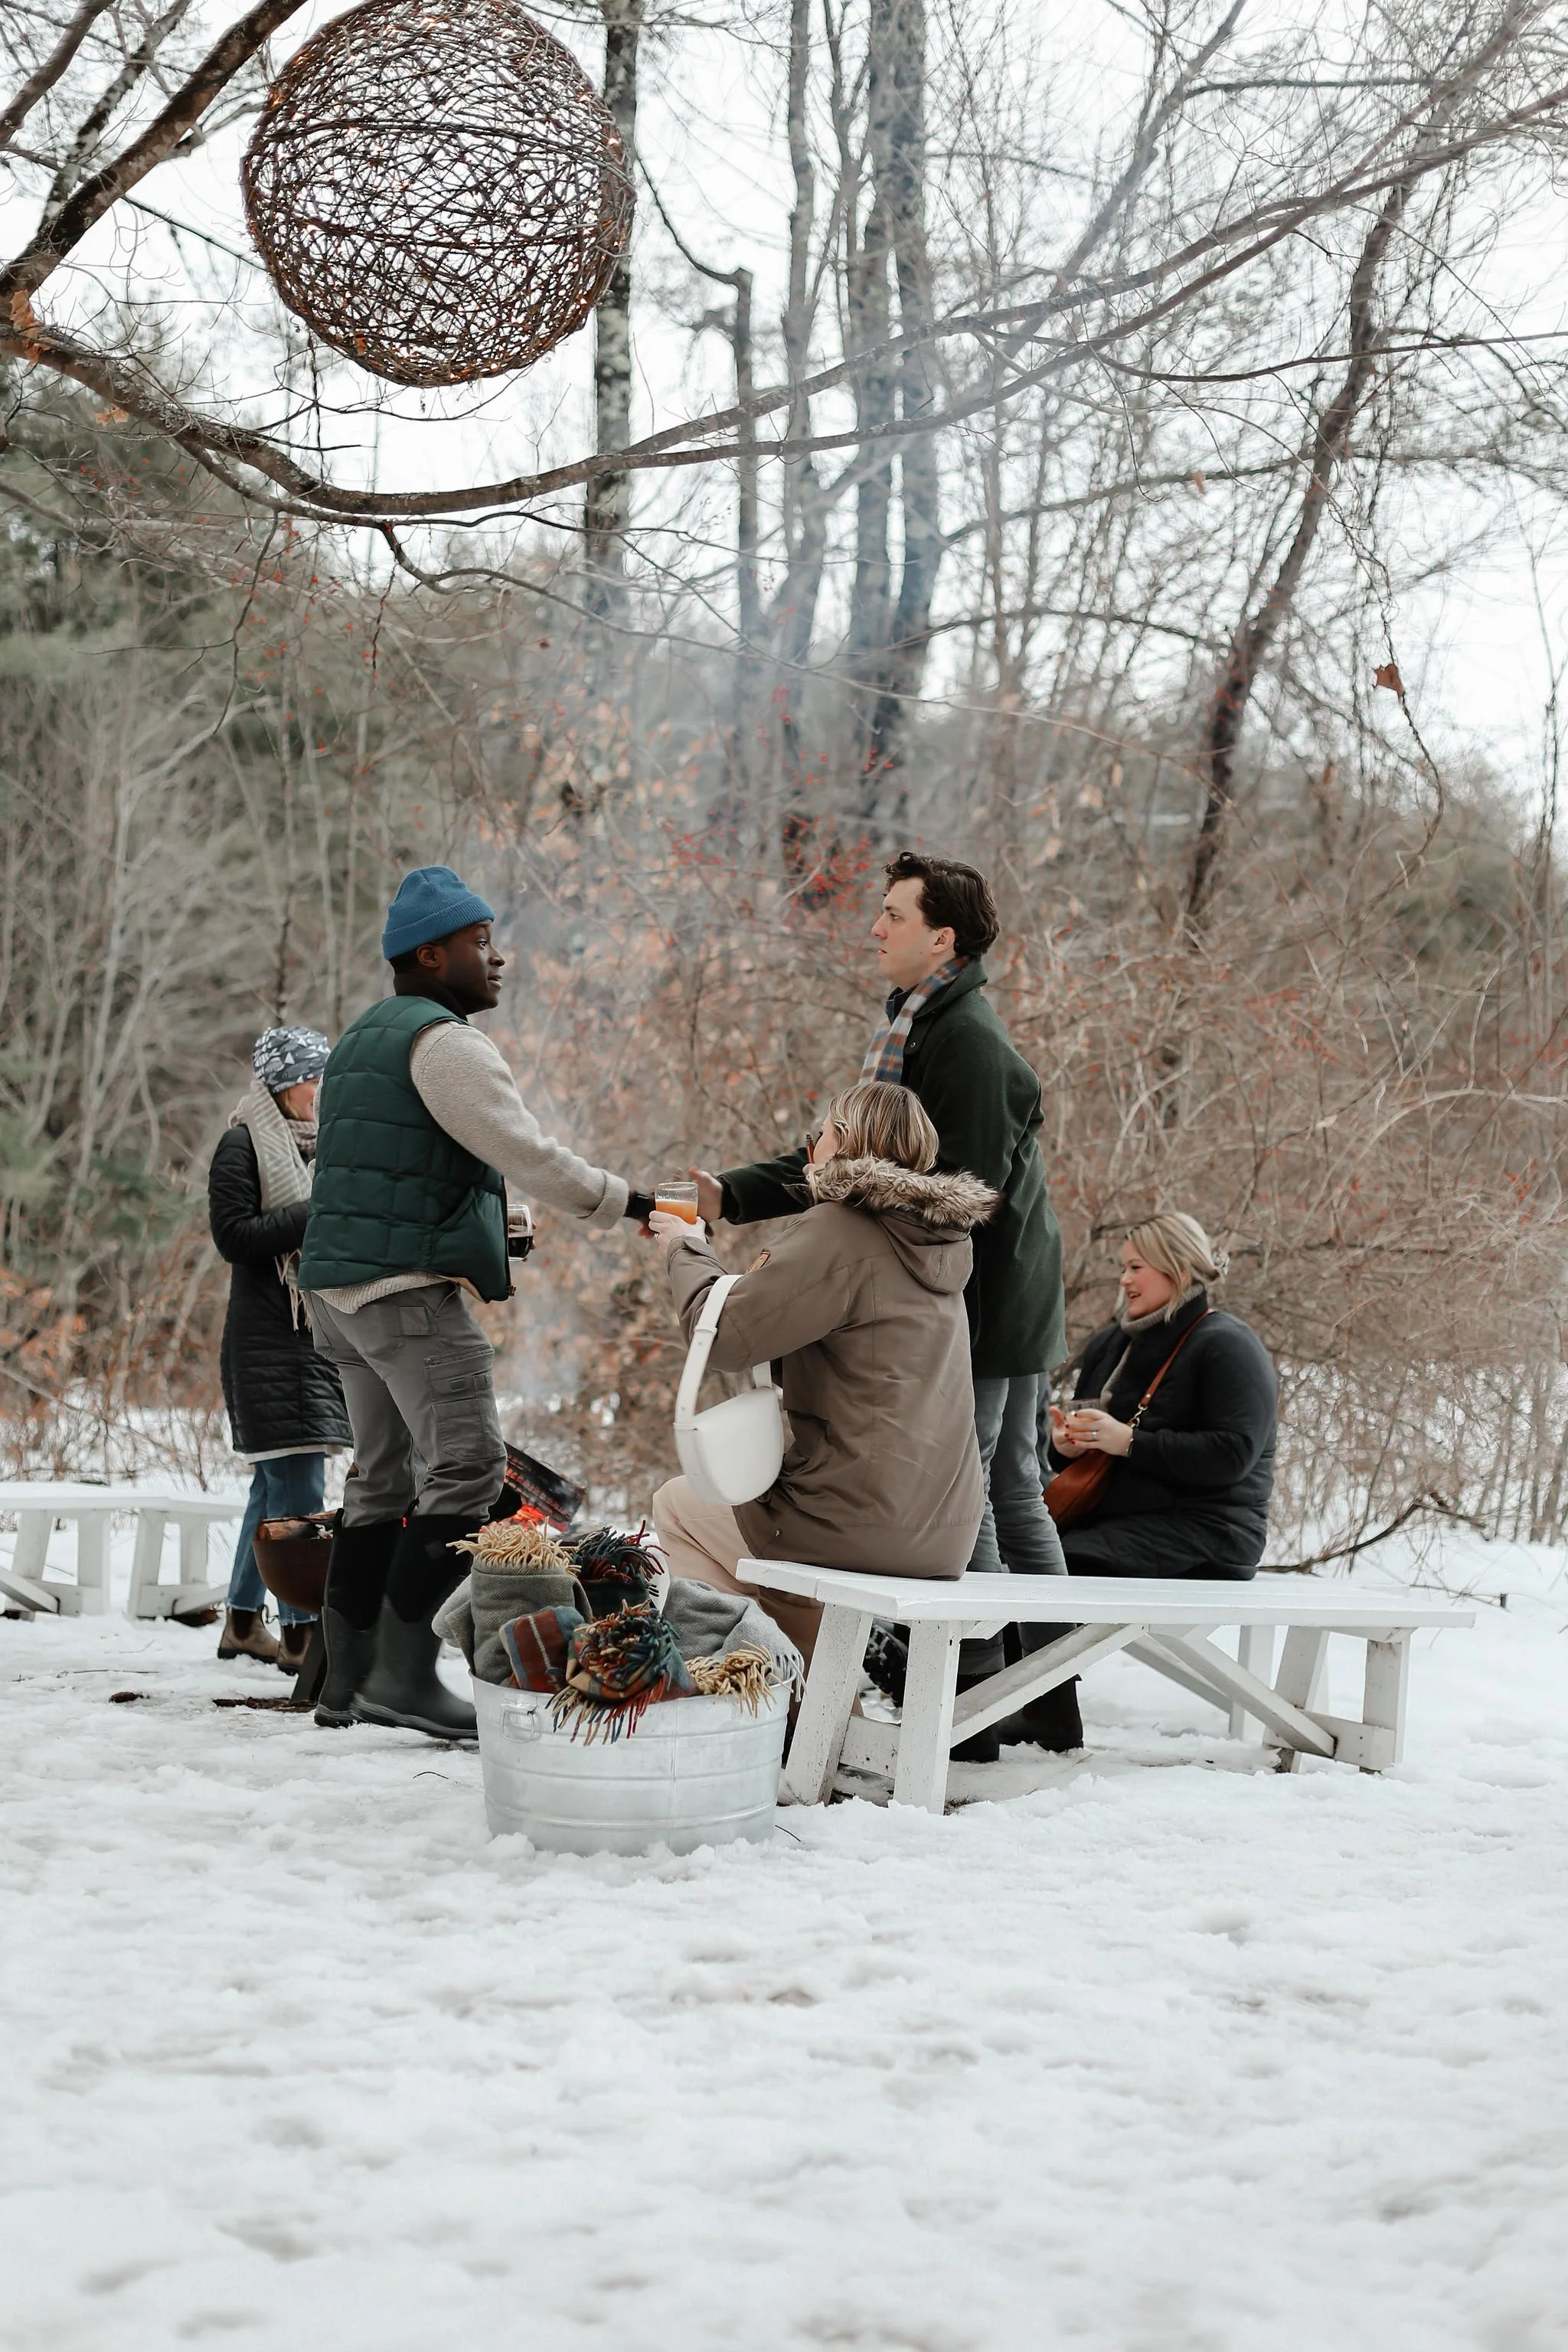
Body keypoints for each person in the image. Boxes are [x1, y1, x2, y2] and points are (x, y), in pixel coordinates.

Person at [694, 851, 1072, 1756]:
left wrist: (919, 1336)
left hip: (985, 1309)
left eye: (893, 916)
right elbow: (856, 1159)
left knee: (983, 1495)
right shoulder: (916, 1029)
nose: (875, 928)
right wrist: (730, 1194)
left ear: (941, 938)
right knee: (1008, 1493)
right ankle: (1033, 1704)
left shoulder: (964, 1044)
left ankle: (980, 1706)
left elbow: (947, 1204)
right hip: (981, 1305)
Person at [296, 865, 652, 1741]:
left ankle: (341, 1683)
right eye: (480, 944)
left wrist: (495, 1228)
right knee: (467, 1471)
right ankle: (402, 1675)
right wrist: (630, 1202)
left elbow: (387, 1177)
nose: (498, 960)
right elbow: (524, 1149)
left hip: (338, 1291)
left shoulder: (359, 1039)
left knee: (380, 1481)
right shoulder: (444, 1043)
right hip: (401, 1299)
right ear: (431, 953)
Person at [652, 1080, 994, 1670]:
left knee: (680, 1505)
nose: (810, 1149)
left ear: (845, 1144)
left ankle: (762, 1688)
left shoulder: (841, 1228)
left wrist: (685, 1245)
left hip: (856, 1524)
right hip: (947, 1530)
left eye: (819, 1135)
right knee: (779, 1524)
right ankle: (819, 1704)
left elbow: (725, 1336)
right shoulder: (939, 1239)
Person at [208, 1025, 350, 1669]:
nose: (323, 1090)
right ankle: (301, 1634)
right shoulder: (242, 1145)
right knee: (296, 1486)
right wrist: (317, 1212)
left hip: (311, 1338)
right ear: (284, 1085)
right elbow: (235, 1236)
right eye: (314, 1078)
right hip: (270, 1342)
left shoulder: (323, 1153)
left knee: (274, 1491)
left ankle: (242, 1622)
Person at [1044, 1212, 1278, 1578]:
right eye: (1123, 1268)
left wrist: (1128, 1442)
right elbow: (1085, 1452)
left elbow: (1233, 1454)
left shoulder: (1229, 1345)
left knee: (1057, 1566)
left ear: (1180, 1269)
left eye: (1136, 1267)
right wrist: (1066, 1445)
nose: (1124, 1280)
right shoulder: (1109, 1345)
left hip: (1209, 1530)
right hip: (1108, 1519)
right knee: (1019, 1550)